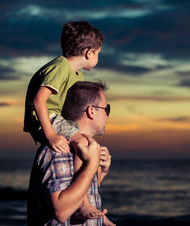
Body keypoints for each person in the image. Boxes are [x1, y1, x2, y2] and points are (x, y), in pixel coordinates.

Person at [27, 81, 115, 226]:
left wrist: (101, 172)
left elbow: (81, 196)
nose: (108, 116)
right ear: (91, 111)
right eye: (107, 109)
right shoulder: (59, 149)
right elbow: (62, 211)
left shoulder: (88, 150)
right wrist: (92, 164)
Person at [24, 20, 105, 153]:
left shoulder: (78, 76)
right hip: (47, 118)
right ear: (89, 53)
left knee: (89, 142)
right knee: (83, 144)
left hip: (60, 118)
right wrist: (51, 136)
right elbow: (38, 100)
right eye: (98, 53)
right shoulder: (60, 67)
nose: (97, 57)